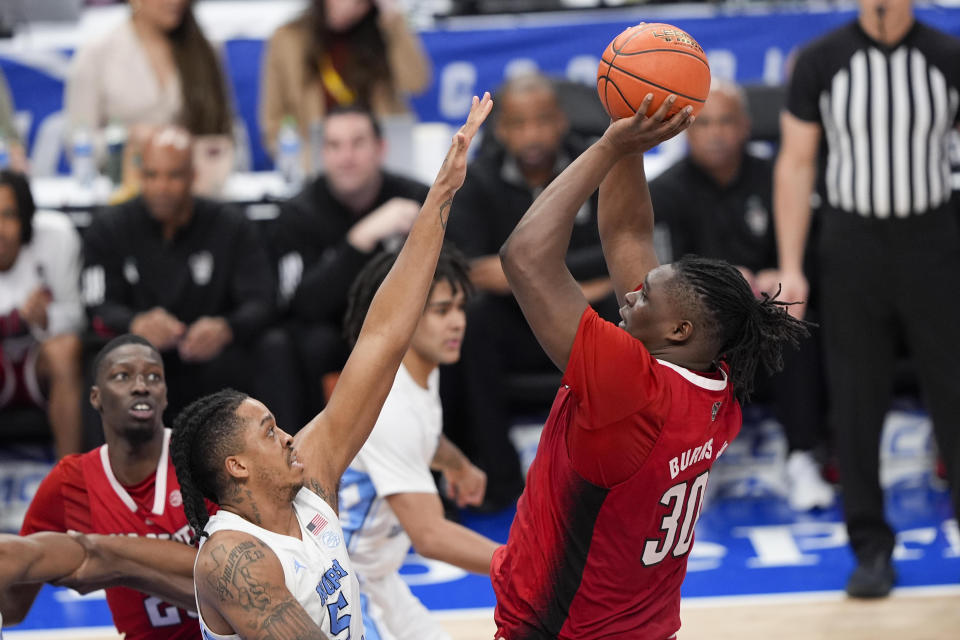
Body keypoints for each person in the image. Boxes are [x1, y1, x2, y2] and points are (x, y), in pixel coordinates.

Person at [170, 93, 492, 640]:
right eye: (270, 432)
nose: (291, 436)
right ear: (237, 467)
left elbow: (385, 339)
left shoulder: (309, 482)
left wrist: (442, 191)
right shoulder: (233, 559)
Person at [493, 95, 809, 639]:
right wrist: (632, 140)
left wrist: (608, 145)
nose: (632, 293)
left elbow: (524, 256)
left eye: (645, 298)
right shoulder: (716, 382)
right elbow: (629, 236)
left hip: (560, 629)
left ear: (679, 331)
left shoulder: (630, 388)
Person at [774, 0, 960, 598]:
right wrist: (792, 265)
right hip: (852, 247)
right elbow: (797, 164)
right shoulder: (822, 60)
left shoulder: (948, 56)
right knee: (856, 401)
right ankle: (870, 547)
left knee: (955, 391)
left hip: (934, 240)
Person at [649, 82, 833, 512]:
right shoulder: (664, 191)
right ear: (687, 131)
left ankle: (803, 456)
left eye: (726, 121)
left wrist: (782, 276)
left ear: (746, 126)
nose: (715, 133)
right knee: (674, 337)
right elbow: (657, 274)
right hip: (698, 319)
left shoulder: (776, 178)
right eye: (705, 123)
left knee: (796, 318)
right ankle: (692, 466)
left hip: (767, 310)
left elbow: (812, 253)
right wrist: (727, 284)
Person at [445, 72, 615, 510]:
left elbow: (617, 250)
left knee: (628, 304)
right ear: (501, 130)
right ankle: (500, 479)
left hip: (585, 322)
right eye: (519, 123)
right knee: (473, 318)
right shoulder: (477, 178)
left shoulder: (594, 163)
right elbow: (474, 269)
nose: (532, 134)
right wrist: (562, 274)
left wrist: (523, 270)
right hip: (515, 326)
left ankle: (614, 474)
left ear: (560, 121)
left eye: (542, 121)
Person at [81, 126, 298, 427]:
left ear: (193, 176)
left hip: (214, 358)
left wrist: (227, 328)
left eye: (173, 176)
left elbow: (263, 299)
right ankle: (94, 469)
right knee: (97, 355)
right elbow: (96, 302)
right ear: (139, 175)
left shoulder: (230, 225)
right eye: (152, 175)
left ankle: (285, 460)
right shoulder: (109, 228)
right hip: (140, 357)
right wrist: (135, 324)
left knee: (275, 346)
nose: (162, 187)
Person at [339, 246, 501, 640]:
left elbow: (423, 433)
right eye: (442, 310)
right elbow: (429, 536)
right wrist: (526, 563)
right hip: (337, 582)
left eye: (460, 308)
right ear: (406, 313)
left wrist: (455, 463)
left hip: (375, 576)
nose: (458, 322)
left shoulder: (414, 372)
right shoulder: (389, 403)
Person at [5, 334, 207, 639]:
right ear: (96, 397)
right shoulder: (68, 483)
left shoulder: (202, 460)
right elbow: (13, 608)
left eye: (154, 376)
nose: (141, 386)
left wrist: (119, 564)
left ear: (165, 395)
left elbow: (239, 589)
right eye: (122, 376)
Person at [272, 106, 429, 416]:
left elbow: (447, 275)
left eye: (358, 143)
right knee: (300, 342)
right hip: (331, 333)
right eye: (334, 146)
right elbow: (302, 303)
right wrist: (360, 239)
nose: (346, 157)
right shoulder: (298, 213)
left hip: (405, 326)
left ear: (380, 149)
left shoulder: (417, 198)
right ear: (322, 154)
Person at [64, 0, 234, 195]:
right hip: (123, 196)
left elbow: (226, 134)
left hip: (196, 195)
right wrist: (129, 137)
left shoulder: (206, 51)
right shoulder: (96, 54)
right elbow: (78, 144)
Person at [259, 0, 430, 166]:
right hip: (315, 164)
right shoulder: (288, 39)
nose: (347, 5)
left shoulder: (382, 33)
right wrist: (299, 161)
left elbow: (417, 83)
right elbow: (273, 122)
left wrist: (392, 17)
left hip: (379, 162)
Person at [0, 170, 85, 458]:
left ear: (25, 218)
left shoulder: (56, 236)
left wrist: (46, 318)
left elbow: (78, 318)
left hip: (39, 363)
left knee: (66, 350)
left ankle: (70, 482)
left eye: (8, 214)